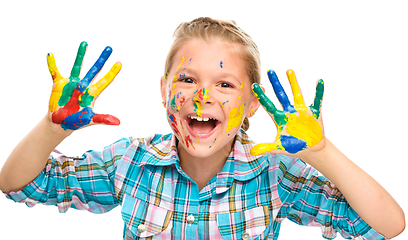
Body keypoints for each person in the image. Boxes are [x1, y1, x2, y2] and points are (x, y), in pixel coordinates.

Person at [0, 17, 404, 240]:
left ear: (251, 106)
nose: (202, 97)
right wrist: (53, 129)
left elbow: (386, 225)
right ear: (163, 92)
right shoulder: (130, 162)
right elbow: (17, 183)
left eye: (225, 85)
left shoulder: (275, 175)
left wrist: (320, 153)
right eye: (188, 79)